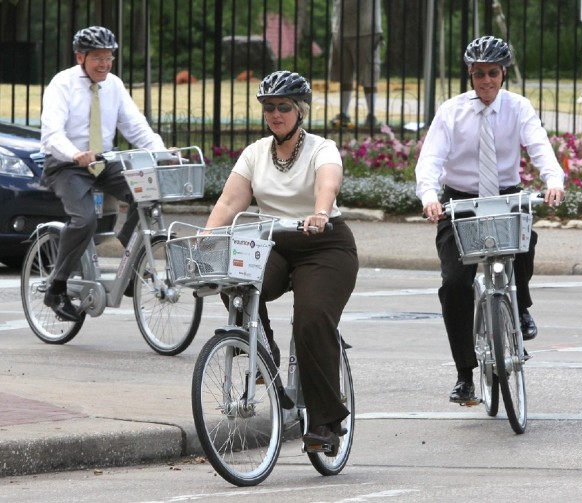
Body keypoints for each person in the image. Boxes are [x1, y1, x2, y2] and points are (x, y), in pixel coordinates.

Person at [204, 70, 359, 450]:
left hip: (324, 243)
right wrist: (206, 237)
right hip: (274, 242)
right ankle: (265, 354)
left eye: (284, 107)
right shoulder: (256, 153)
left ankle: (325, 424)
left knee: (311, 318)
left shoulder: (321, 148)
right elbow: (229, 202)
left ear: (300, 110)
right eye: (269, 107)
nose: (276, 114)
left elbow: (328, 182)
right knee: (234, 280)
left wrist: (320, 212)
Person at [416, 36, 565, 404]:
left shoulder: (518, 107)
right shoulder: (452, 110)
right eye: (479, 73)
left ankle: (522, 307)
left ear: (504, 73)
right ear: (470, 74)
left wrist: (554, 180)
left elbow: (539, 145)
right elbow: (431, 158)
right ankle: (465, 374)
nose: (486, 81)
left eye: (493, 73)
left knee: (526, 239)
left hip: (504, 196)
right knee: (454, 283)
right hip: (460, 201)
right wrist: (430, 196)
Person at [40, 26, 166, 322]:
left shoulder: (114, 85)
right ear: (80, 57)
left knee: (150, 192)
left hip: (103, 161)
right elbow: (51, 134)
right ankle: (56, 286)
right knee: (85, 220)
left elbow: (136, 127)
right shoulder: (62, 84)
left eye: (109, 58)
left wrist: (162, 153)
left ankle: (129, 249)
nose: (105, 65)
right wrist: (74, 154)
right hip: (67, 163)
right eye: (98, 58)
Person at [329, 0, 383, 128]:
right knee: (344, 75)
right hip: (341, 29)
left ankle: (371, 114)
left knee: (368, 75)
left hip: (366, 30)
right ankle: (343, 113)